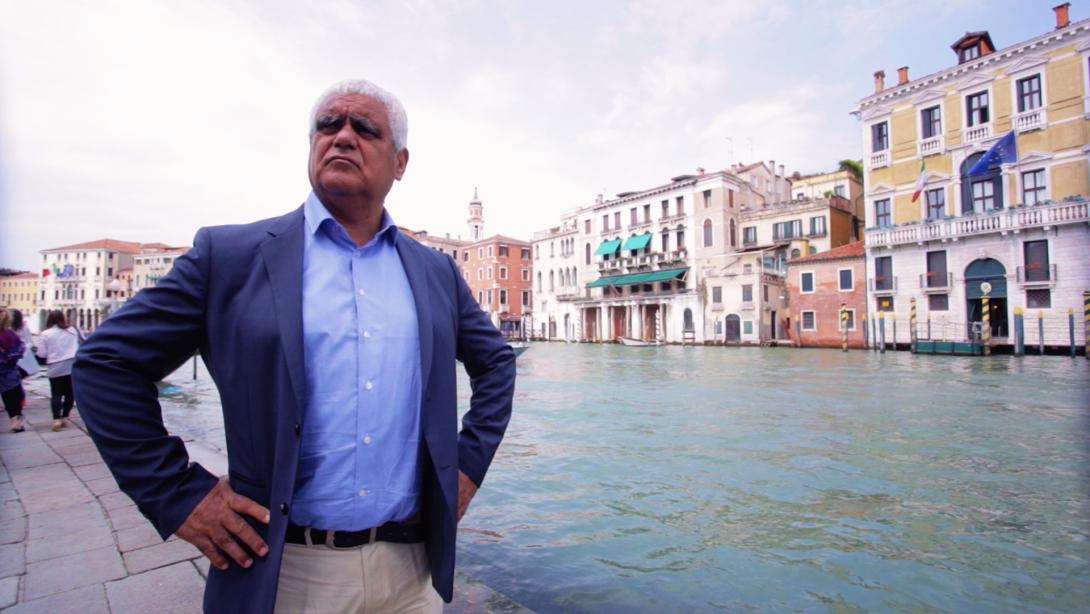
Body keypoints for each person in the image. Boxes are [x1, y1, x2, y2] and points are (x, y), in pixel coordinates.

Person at [73, 79, 515, 613]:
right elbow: (105, 363)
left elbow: (495, 363)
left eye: (364, 128)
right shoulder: (230, 256)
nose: (343, 136)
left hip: (412, 575)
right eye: (328, 125)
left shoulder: (435, 271)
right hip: (283, 574)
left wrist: (465, 467)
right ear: (311, 146)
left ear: (399, 163)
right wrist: (176, 493)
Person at [36, 310, 81, 431]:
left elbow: (41, 354)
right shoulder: (71, 330)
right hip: (71, 364)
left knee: (56, 393)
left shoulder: (46, 334)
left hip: (55, 365)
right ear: (63, 318)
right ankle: (65, 417)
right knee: (70, 393)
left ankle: (56, 420)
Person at [0, 309, 27, 432]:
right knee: (14, 396)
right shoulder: (10, 334)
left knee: (9, 395)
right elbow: (20, 349)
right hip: (8, 371)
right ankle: (15, 422)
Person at [10, 309, 39, 380]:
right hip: (21, 359)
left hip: (15, 359)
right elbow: (29, 342)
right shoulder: (24, 328)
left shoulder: (21, 328)